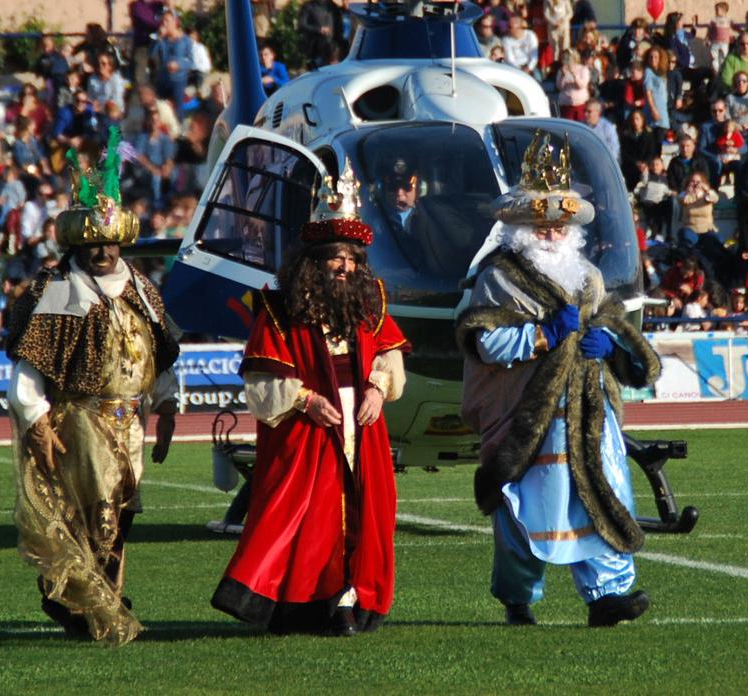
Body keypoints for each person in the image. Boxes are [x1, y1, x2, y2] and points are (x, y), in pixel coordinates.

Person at [456, 132, 659, 627]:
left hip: (589, 414)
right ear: (522, 225)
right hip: (530, 416)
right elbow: (485, 345)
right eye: (541, 224)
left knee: (603, 495)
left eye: (559, 224)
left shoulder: (586, 276)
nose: (551, 232)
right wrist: (543, 336)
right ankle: (518, 596)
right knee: (529, 513)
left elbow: (617, 330)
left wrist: (612, 347)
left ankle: (608, 595)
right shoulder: (497, 277)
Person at [211, 165, 410, 637]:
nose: (345, 268)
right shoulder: (279, 306)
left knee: (363, 509)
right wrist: (304, 400)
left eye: (353, 259)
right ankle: (309, 602)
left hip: (361, 424)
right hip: (309, 426)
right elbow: (262, 380)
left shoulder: (370, 299)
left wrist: (378, 389)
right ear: (314, 261)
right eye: (336, 258)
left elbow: (390, 356)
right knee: (308, 514)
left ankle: (351, 598)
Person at [6, 137, 180, 645]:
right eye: (94, 245)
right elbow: (30, 366)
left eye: (111, 243)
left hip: (131, 421)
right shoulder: (58, 290)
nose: (104, 252)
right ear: (79, 246)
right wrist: (35, 419)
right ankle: (91, 602)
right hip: (78, 419)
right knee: (93, 513)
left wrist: (167, 404)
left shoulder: (142, 289)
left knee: (122, 513)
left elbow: (162, 351)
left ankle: (103, 595)